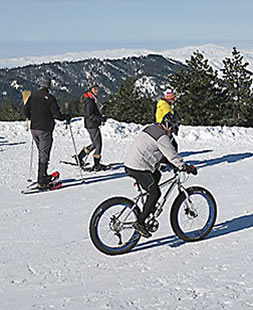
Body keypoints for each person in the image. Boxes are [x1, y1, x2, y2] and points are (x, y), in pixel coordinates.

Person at [124, 102, 197, 238]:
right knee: (155, 192)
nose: (173, 132)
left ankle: (148, 206)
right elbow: (172, 155)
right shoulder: (162, 137)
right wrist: (185, 167)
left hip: (132, 163)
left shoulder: (152, 128)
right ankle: (140, 222)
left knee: (156, 174)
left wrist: (166, 162)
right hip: (138, 167)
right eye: (173, 128)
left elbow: (154, 150)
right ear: (170, 125)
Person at [24, 76, 71, 189]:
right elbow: (57, 115)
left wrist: (33, 116)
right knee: (44, 154)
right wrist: (66, 117)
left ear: (40, 85)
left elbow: (25, 111)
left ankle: (43, 175)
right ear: (49, 86)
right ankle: (42, 181)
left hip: (34, 128)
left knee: (41, 152)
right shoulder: (50, 98)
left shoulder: (32, 96)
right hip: (44, 129)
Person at [75, 83, 107, 171]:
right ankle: (96, 164)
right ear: (90, 90)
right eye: (94, 89)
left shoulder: (91, 99)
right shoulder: (89, 101)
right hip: (92, 125)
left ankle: (80, 157)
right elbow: (89, 115)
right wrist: (100, 119)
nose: (96, 91)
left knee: (95, 144)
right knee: (98, 144)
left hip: (91, 124)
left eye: (97, 89)